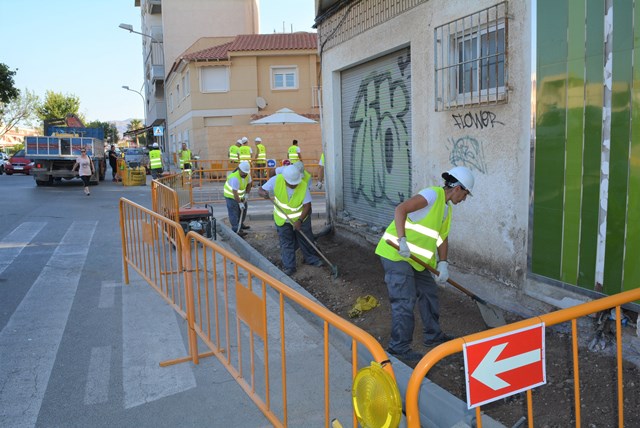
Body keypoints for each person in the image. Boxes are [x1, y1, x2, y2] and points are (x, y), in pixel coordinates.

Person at [374, 166, 475, 361]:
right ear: (457, 188)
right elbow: (400, 209)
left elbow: (441, 238)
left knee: (429, 293)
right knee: (405, 300)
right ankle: (398, 348)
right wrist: (402, 240)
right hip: (396, 252)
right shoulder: (432, 195)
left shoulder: (446, 209)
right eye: (465, 194)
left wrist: (443, 263)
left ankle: (433, 336)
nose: (464, 199)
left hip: (416, 260)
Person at [258, 163, 323, 276]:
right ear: (285, 179)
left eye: (295, 183)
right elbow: (260, 189)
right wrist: (263, 193)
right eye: (291, 184)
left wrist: (300, 221)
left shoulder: (302, 185)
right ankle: (289, 266)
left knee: (305, 238)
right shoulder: (276, 180)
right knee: (286, 242)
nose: (294, 185)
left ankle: (310, 258)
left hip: (301, 218)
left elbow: (307, 205)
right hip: (282, 219)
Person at [224, 160, 252, 236]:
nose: (245, 174)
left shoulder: (247, 175)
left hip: (241, 196)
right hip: (231, 196)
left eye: (246, 172)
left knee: (244, 209)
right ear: (239, 169)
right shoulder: (234, 178)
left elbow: (249, 184)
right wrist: (239, 203)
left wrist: (246, 194)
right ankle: (236, 228)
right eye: (243, 172)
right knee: (234, 212)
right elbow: (234, 192)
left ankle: (241, 224)